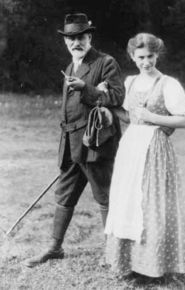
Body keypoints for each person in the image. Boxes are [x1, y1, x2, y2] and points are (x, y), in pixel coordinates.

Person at [23, 13, 124, 267]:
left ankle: (113, 252)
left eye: (80, 37)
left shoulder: (105, 62)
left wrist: (86, 89)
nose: (75, 42)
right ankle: (54, 248)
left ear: (89, 37)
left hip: (95, 143)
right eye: (70, 38)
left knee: (105, 196)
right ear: (65, 41)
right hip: (70, 145)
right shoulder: (70, 67)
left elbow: (117, 97)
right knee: (64, 196)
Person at [105, 33, 185, 280]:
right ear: (132, 57)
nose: (146, 62)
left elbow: (184, 120)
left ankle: (153, 267)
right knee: (128, 202)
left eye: (150, 56)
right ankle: (129, 263)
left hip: (155, 148)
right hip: (131, 147)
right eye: (141, 57)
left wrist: (152, 117)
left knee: (151, 203)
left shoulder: (168, 83)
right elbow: (130, 116)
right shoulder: (130, 82)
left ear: (157, 55)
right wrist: (105, 102)